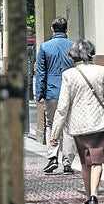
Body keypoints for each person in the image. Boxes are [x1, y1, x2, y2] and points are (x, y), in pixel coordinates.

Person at [51, 40, 104, 204]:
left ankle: (88, 196)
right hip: (99, 122)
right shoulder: (101, 71)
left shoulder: (68, 75)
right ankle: (94, 196)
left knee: (85, 162)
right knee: (97, 161)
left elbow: (62, 107)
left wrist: (55, 134)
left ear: (74, 56)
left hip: (78, 125)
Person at [35, 16, 76, 174]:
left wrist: (40, 94)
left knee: (51, 124)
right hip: (70, 90)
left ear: (52, 29)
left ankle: (52, 157)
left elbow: (41, 73)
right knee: (68, 126)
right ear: (66, 30)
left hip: (52, 91)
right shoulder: (73, 46)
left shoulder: (45, 47)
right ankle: (67, 162)